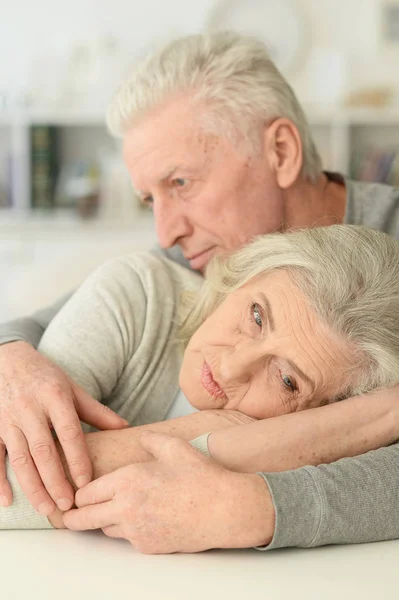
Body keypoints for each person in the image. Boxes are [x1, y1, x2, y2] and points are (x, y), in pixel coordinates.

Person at [0, 31, 398, 552]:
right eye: (150, 199)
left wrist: (260, 507)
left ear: (280, 151)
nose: (166, 233)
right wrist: (10, 355)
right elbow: (44, 322)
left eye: (181, 184)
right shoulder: (198, 259)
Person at [2, 224, 399, 541]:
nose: (229, 368)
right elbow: (15, 493)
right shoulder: (136, 293)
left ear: (334, 410)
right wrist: (207, 435)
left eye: (287, 380)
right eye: (257, 317)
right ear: (244, 275)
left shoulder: (339, 427)